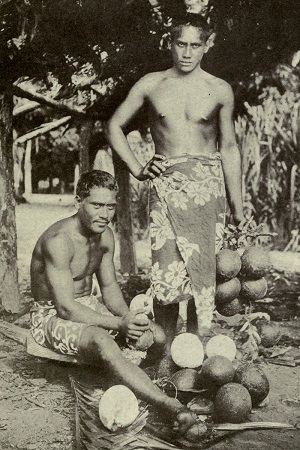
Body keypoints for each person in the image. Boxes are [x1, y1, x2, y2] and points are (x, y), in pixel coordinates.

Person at [105, 13, 245, 348]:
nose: (187, 52)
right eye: (180, 43)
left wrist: (238, 208)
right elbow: (114, 126)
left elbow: (228, 148)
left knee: (203, 273)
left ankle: (194, 353)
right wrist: (138, 168)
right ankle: (163, 351)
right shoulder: (151, 84)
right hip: (165, 186)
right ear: (169, 44)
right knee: (165, 272)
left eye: (195, 45)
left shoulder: (219, 90)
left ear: (206, 46)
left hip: (207, 190)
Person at [29, 170, 197, 435]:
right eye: (96, 205)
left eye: (110, 206)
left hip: (89, 305)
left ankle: (129, 378)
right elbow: (65, 307)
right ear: (77, 201)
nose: (105, 214)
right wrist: (119, 324)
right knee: (101, 340)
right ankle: (170, 406)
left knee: (159, 335)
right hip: (51, 316)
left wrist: (131, 319)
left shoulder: (105, 236)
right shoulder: (58, 241)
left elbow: (108, 288)